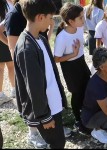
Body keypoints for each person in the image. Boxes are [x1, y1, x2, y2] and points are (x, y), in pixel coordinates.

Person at [14, 0, 67, 148]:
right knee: (57, 144)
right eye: (50, 18)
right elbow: (34, 87)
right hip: (45, 111)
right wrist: (44, 117)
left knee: (59, 141)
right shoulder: (26, 48)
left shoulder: (41, 39)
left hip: (52, 104)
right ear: (40, 17)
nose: (51, 23)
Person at [54, 3, 91, 135]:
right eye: (81, 18)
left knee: (87, 87)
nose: (83, 20)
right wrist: (72, 55)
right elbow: (56, 59)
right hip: (70, 67)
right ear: (70, 21)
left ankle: (87, 113)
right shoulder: (61, 37)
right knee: (76, 92)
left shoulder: (79, 28)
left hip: (81, 62)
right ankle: (78, 120)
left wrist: (77, 55)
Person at [0, 0, 15, 105]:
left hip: (6, 36)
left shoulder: (8, 3)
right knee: (10, 66)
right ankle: (13, 90)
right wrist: (9, 43)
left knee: (4, 67)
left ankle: (2, 94)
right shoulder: (8, 4)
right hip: (6, 36)